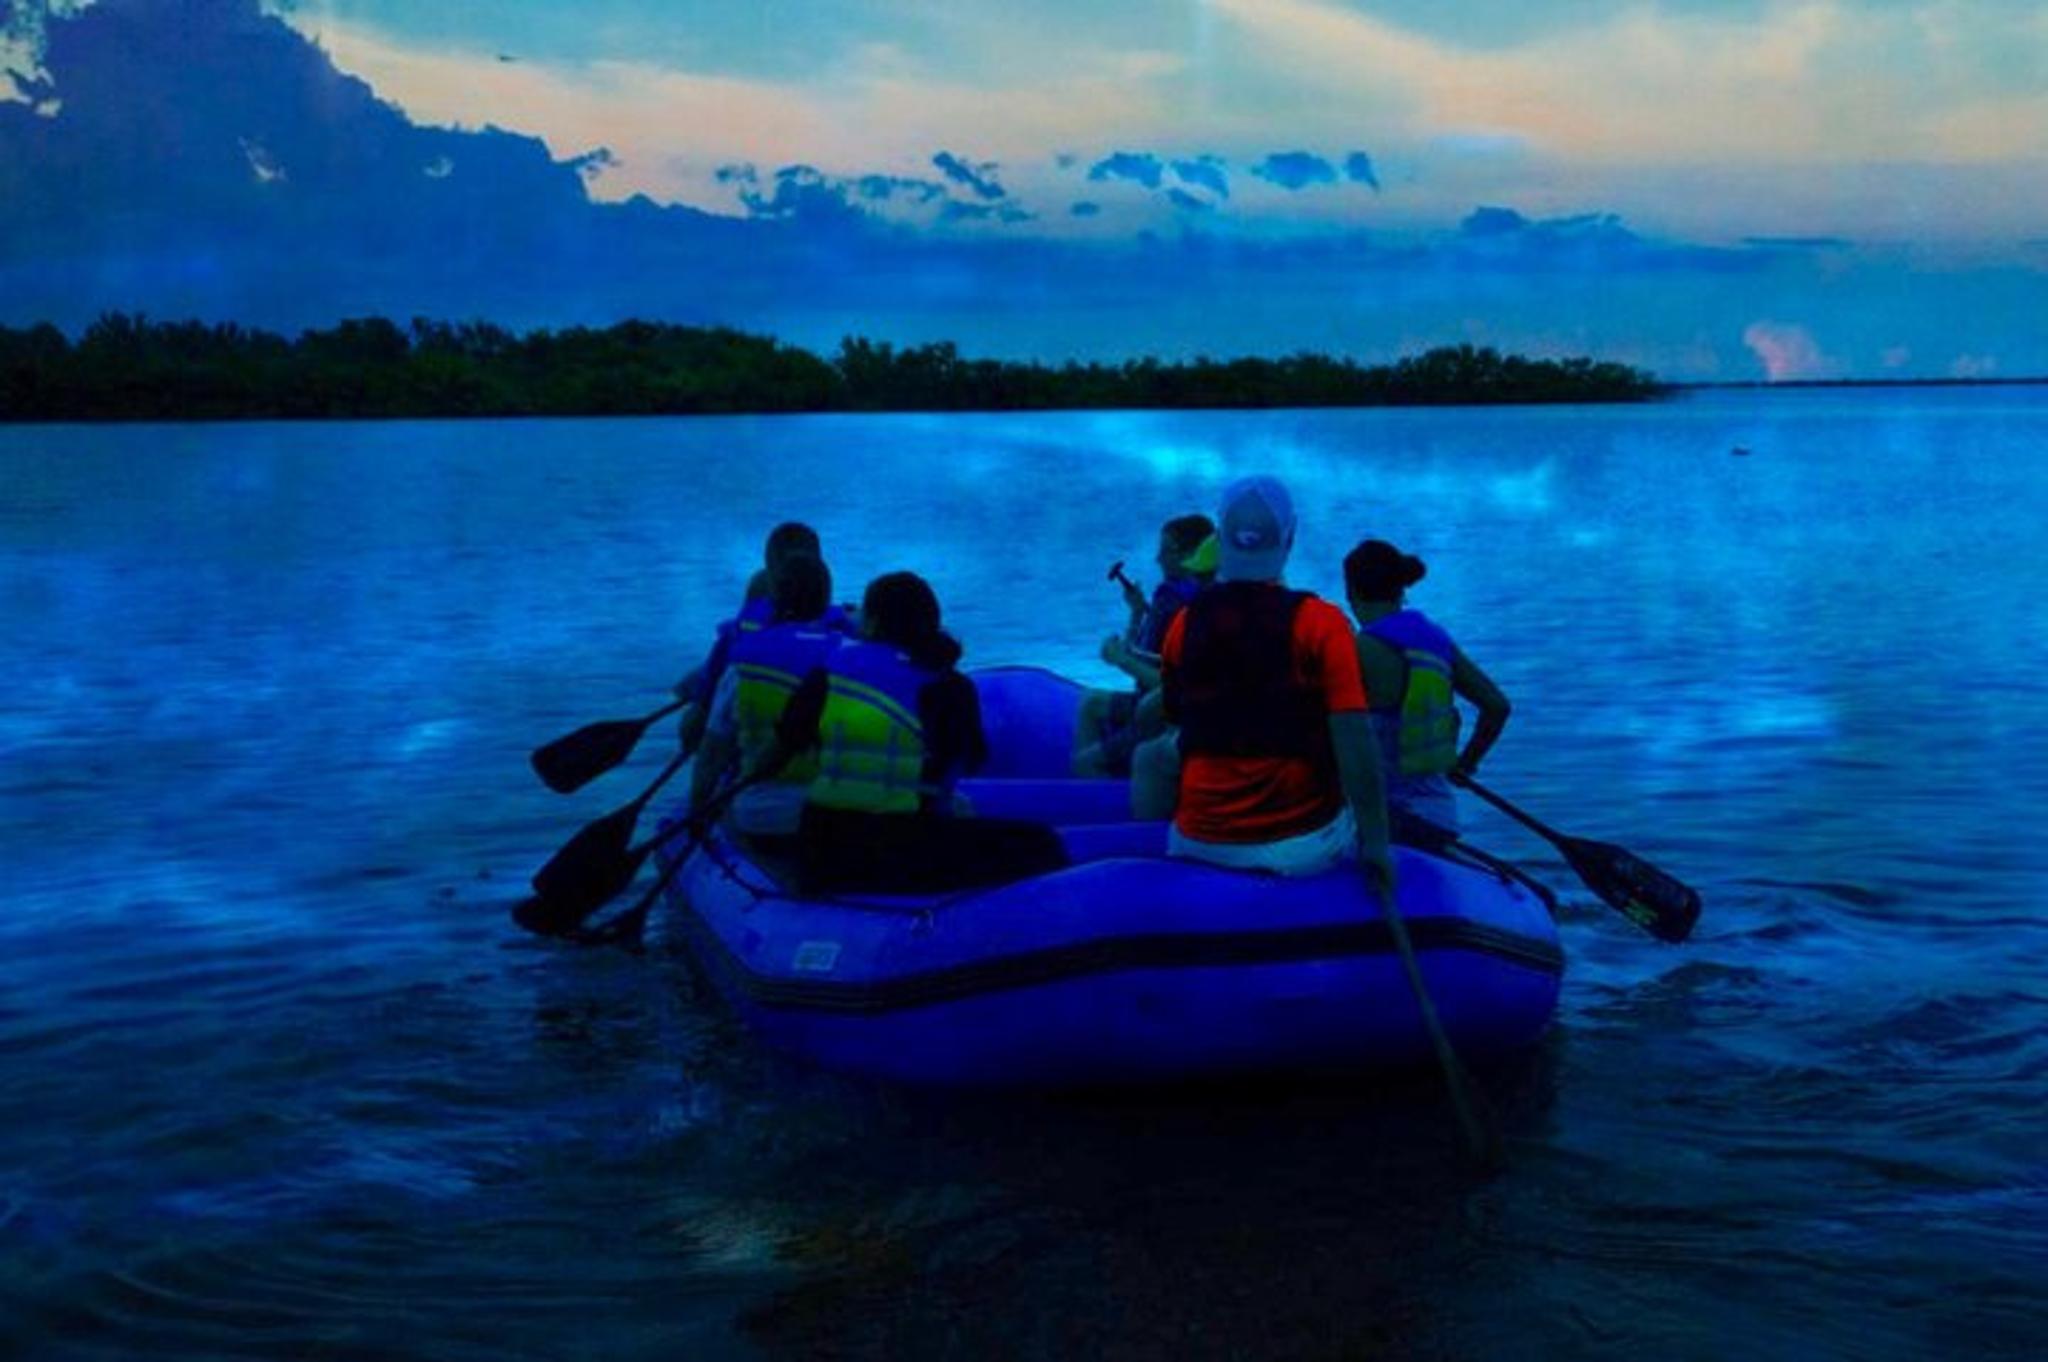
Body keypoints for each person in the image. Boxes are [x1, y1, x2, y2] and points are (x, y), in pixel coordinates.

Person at [1143, 475, 1393, 890]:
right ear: (1290, 539)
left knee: (1156, 757)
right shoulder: (1323, 624)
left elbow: (1175, 717)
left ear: (1220, 541)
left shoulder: (1184, 624)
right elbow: (1356, 746)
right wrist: (1378, 846)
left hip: (1195, 841)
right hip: (1296, 847)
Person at [764, 572, 1068, 894]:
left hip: (822, 849)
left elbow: (775, 754)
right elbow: (970, 762)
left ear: (873, 623)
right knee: (1041, 842)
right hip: (904, 849)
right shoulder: (951, 686)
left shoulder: (828, 672)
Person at [1342, 539, 1511, 843]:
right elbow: (1496, 707)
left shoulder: (1358, 650)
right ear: (1400, 591)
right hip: (1439, 818)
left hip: (1385, 821)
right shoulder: (1435, 642)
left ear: (1351, 592)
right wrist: (1466, 763)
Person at [686, 552, 843, 845]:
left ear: (775, 600)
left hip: (761, 814)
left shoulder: (742, 663)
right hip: (836, 811)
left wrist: (697, 813)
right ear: (826, 601)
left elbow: (711, 754)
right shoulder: (849, 658)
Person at [673, 521, 855, 751]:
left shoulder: (739, 634)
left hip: (750, 765)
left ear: (771, 572)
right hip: (820, 768)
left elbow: (694, 727)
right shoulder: (848, 631)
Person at [1074, 514, 1216, 776]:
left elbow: (1169, 688)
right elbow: (1145, 657)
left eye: (1166, 550)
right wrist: (1137, 613)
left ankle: (1105, 802)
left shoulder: (1181, 606)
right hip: (1156, 706)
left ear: (1191, 555)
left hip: (1167, 720)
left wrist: (1120, 659)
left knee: (1085, 762)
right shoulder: (1176, 599)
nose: (1158, 558)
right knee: (1091, 701)